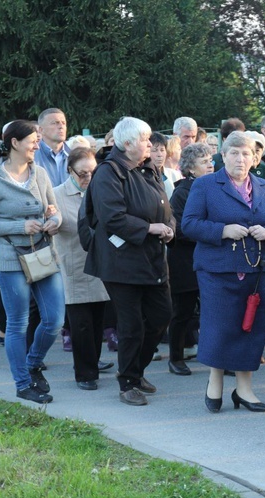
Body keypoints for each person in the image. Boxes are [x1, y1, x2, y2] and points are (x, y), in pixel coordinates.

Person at [182, 131, 265, 413]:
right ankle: (214, 381)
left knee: (252, 328)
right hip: (218, 270)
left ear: (255, 159)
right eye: (234, 152)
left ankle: (244, 390)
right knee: (220, 327)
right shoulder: (206, 185)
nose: (240, 158)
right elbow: (189, 224)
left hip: (258, 271)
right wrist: (222, 231)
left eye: (246, 154)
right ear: (223, 156)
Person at [83, 116, 174, 406]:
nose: (150, 144)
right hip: (121, 262)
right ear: (126, 144)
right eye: (145, 139)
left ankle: (136, 370)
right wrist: (150, 228)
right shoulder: (109, 173)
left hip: (152, 259)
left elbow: (163, 205)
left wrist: (169, 225)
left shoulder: (148, 170)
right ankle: (128, 382)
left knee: (161, 317)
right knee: (131, 324)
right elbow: (112, 217)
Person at [0, 120, 64, 403]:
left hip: (42, 255)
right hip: (10, 259)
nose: (37, 144)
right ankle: (23, 384)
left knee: (55, 320)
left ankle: (33, 363)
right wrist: (20, 227)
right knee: (17, 323)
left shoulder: (40, 174)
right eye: (33, 140)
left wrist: (53, 220)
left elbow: (55, 211)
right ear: (14, 143)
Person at [53, 147, 112, 390]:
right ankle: (84, 373)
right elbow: (56, 225)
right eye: (82, 173)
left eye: (92, 172)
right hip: (73, 265)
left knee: (98, 321)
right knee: (81, 324)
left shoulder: (102, 192)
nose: (88, 178)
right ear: (70, 171)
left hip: (99, 265)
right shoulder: (56, 195)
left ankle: (93, 363)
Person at [167, 143, 213, 376]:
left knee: (214, 311)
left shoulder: (215, 187)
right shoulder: (182, 192)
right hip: (185, 262)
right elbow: (181, 228)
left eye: (210, 160)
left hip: (209, 260)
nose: (210, 164)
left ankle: (217, 359)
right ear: (191, 168)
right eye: (204, 161)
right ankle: (176, 357)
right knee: (182, 312)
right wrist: (212, 232)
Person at [34, 108, 71, 187]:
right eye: (55, 123)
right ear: (41, 130)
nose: (61, 126)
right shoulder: (31, 157)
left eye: (63, 123)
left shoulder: (74, 156)